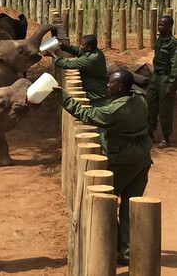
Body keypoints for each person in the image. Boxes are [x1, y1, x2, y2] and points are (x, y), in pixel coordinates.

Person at [55, 69, 152, 266]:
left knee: (104, 203)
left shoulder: (114, 111)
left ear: (121, 87)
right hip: (142, 158)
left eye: (111, 83)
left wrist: (62, 96)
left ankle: (109, 248)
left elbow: (86, 114)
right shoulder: (140, 100)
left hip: (123, 161)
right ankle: (127, 251)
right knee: (130, 205)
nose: (108, 85)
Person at [44, 34, 108, 151]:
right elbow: (78, 51)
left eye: (82, 44)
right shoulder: (95, 52)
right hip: (95, 93)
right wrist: (63, 46)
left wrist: (53, 56)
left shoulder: (90, 60)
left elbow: (69, 64)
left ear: (89, 47)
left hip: (98, 97)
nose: (80, 46)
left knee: (100, 129)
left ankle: (106, 152)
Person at [146, 15, 177, 149]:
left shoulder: (173, 43)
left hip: (166, 78)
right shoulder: (159, 40)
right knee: (149, 104)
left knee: (165, 109)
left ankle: (166, 137)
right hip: (155, 76)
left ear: (170, 27)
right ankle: (150, 132)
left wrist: (171, 84)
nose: (159, 27)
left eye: (162, 25)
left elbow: (175, 66)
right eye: (159, 24)